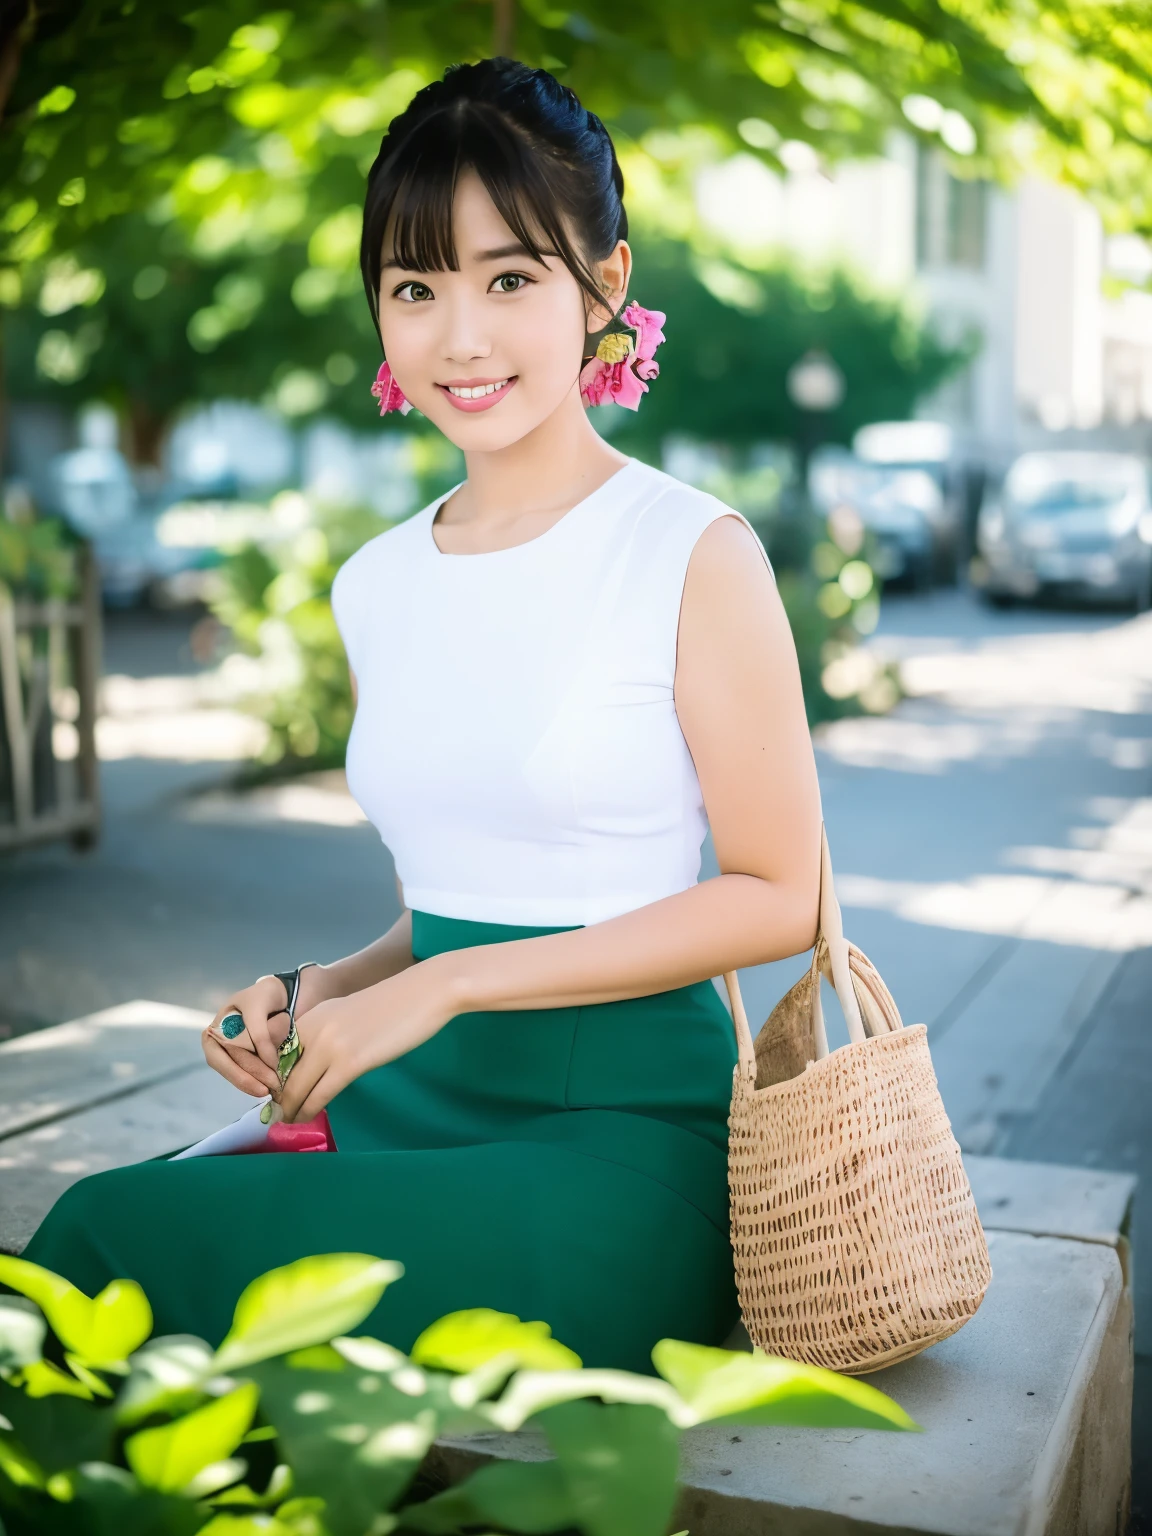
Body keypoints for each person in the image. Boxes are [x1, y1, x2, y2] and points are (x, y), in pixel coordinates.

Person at [23, 58, 822, 1373]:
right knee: (98, 1232)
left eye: (511, 278)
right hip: (398, 1097)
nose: (461, 334)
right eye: (416, 286)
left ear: (605, 286)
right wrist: (323, 989)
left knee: (146, 1268)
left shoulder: (689, 551)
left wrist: (442, 991)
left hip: (622, 1130)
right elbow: (474, 884)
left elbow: (779, 892)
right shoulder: (375, 580)